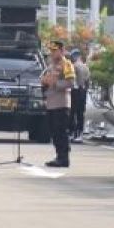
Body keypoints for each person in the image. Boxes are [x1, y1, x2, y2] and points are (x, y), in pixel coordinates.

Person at [41, 40, 74, 168]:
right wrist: (44, 82)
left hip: (61, 103)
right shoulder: (50, 65)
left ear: (62, 50)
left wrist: (55, 83)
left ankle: (64, 158)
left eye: (55, 50)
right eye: (51, 51)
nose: (52, 53)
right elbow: (45, 79)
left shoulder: (67, 64)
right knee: (54, 131)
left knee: (61, 131)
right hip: (51, 103)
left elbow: (71, 83)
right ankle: (58, 156)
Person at [70, 49, 89, 141]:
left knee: (73, 113)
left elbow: (72, 80)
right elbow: (87, 80)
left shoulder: (74, 66)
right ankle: (80, 134)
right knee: (80, 113)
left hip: (75, 91)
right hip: (83, 91)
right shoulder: (86, 67)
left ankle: (73, 133)